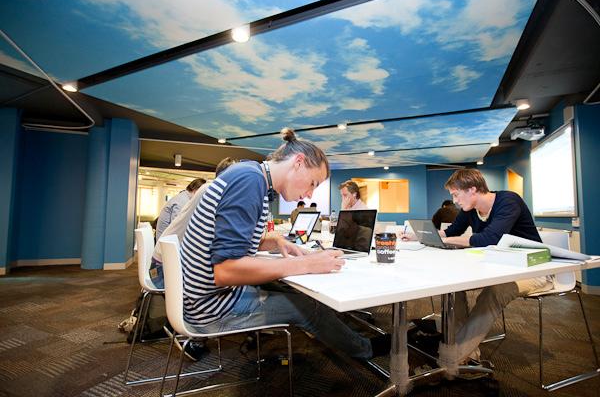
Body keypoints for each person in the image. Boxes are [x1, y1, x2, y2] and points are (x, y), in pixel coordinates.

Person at [180, 129, 390, 363]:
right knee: (307, 306)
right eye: (313, 183)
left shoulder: (250, 174)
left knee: (291, 289)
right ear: (298, 162)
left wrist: (276, 241)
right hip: (212, 309)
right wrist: (305, 263)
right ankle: (366, 349)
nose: (310, 193)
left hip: (206, 298)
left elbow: (227, 242)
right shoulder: (250, 181)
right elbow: (226, 270)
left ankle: (343, 336)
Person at [436, 168, 553, 376]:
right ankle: (467, 355)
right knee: (453, 287)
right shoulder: (470, 209)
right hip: (499, 267)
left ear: (472, 189)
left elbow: (490, 239)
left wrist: (446, 240)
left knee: (495, 292)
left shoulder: (508, 201)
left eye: (456, 195)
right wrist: (427, 235)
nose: (454, 201)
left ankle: (449, 361)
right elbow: (452, 231)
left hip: (534, 270)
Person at [142, 158, 238, 361]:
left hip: (162, 266)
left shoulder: (206, 190)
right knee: (228, 280)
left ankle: (186, 323)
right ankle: (193, 331)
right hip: (164, 273)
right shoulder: (214, 192)